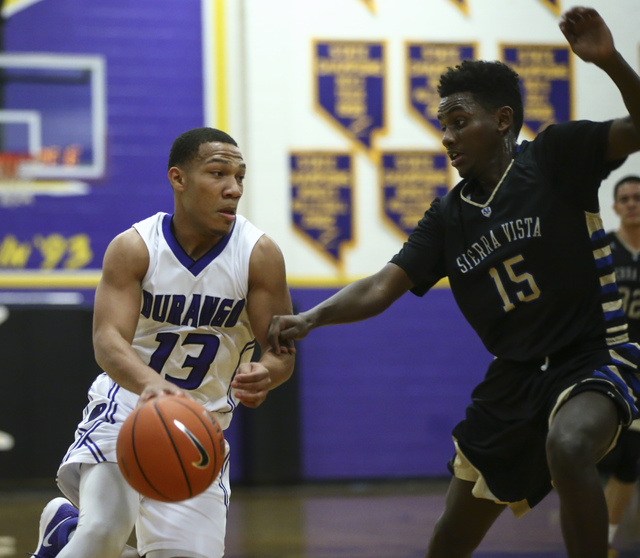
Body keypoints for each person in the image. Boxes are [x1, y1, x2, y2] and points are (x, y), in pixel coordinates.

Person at [268, 7, 640, 558]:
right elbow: (381, 286)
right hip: (513, 380)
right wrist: (313, 316)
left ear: (504, 120)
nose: (446, 137)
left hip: (590, 357)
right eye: (443, 125)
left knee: (568, 445)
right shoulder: (447, 218)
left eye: (459, 121)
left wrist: (610, 61)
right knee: (448, 540)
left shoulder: (556, 157)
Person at [31, 127, 295, 558]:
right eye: (218, 173)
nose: (233, 189)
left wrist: (266, 372)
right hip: (128, 410)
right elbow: (107, 339)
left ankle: (64, 533)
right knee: (103, 532)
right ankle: (80, 533)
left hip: (200, 427)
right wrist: (149, 384)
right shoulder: (136, 247)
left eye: (240, 177)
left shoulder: (258, 255)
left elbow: (281, 354)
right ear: (178, 178)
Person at [598, 175, 640, 557]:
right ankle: (599, 537)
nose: (631, 204)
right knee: (612, 454)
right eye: (624, 199)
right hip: (614, 363)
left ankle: (605, 539)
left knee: (630, 460)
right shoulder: (605, 250)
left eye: (637, 198)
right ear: (614, 207)